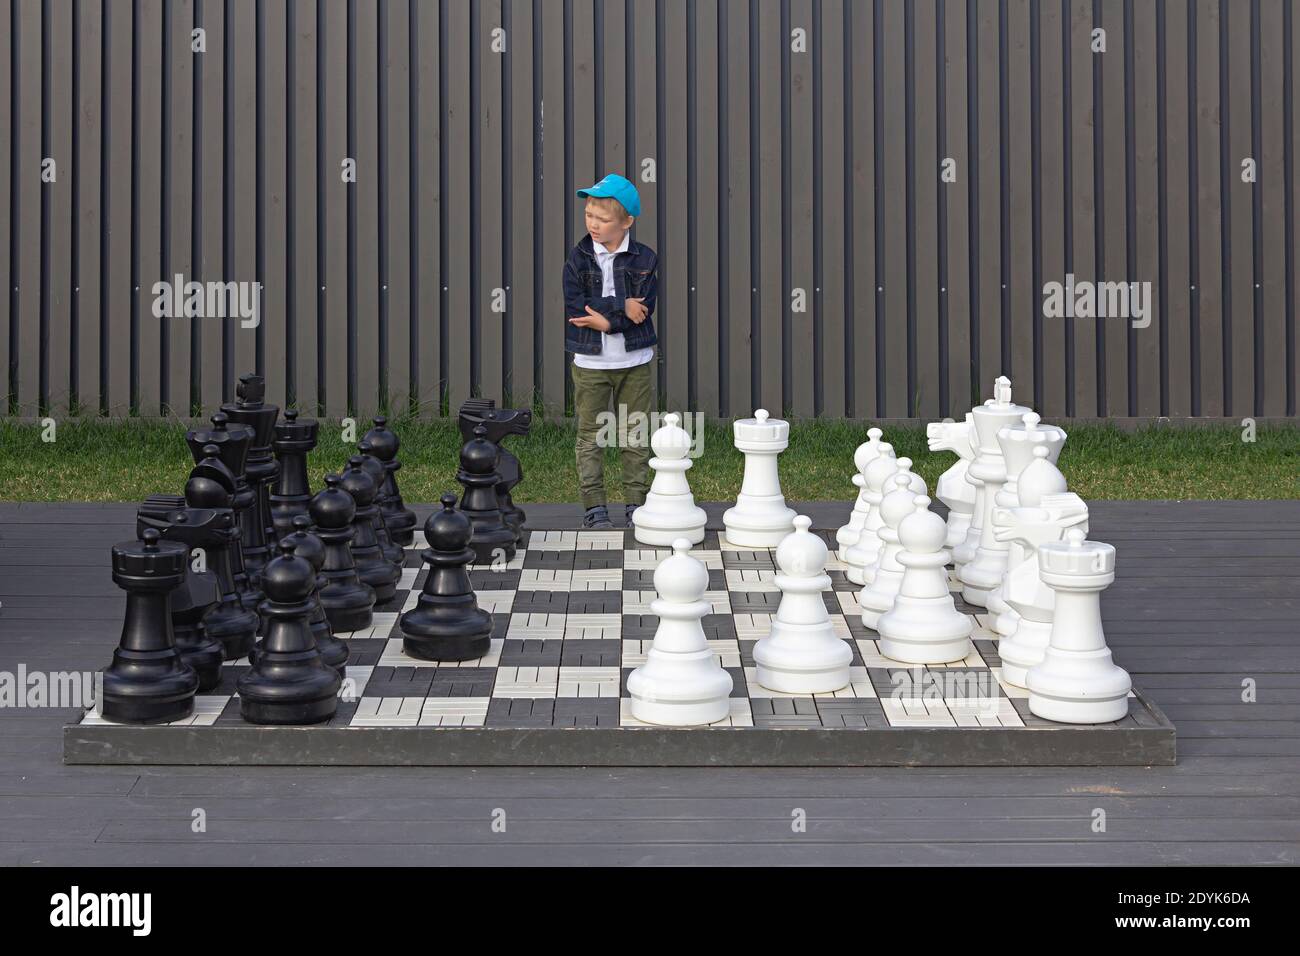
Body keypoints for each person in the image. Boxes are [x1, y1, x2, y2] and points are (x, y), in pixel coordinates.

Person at [563, 173, 659, 529]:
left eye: (602, 219)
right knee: (591, 435)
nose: (593, 224)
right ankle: (594, 505)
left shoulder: (646, 259)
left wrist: (606, 320)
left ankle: (636, 503)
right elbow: (576, 308)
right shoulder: (577, 259)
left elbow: (643, 310)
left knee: (634, 435)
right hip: (590, 363)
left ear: (626, 222)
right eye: (589, 215)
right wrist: (618, 309)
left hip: (634, 361)